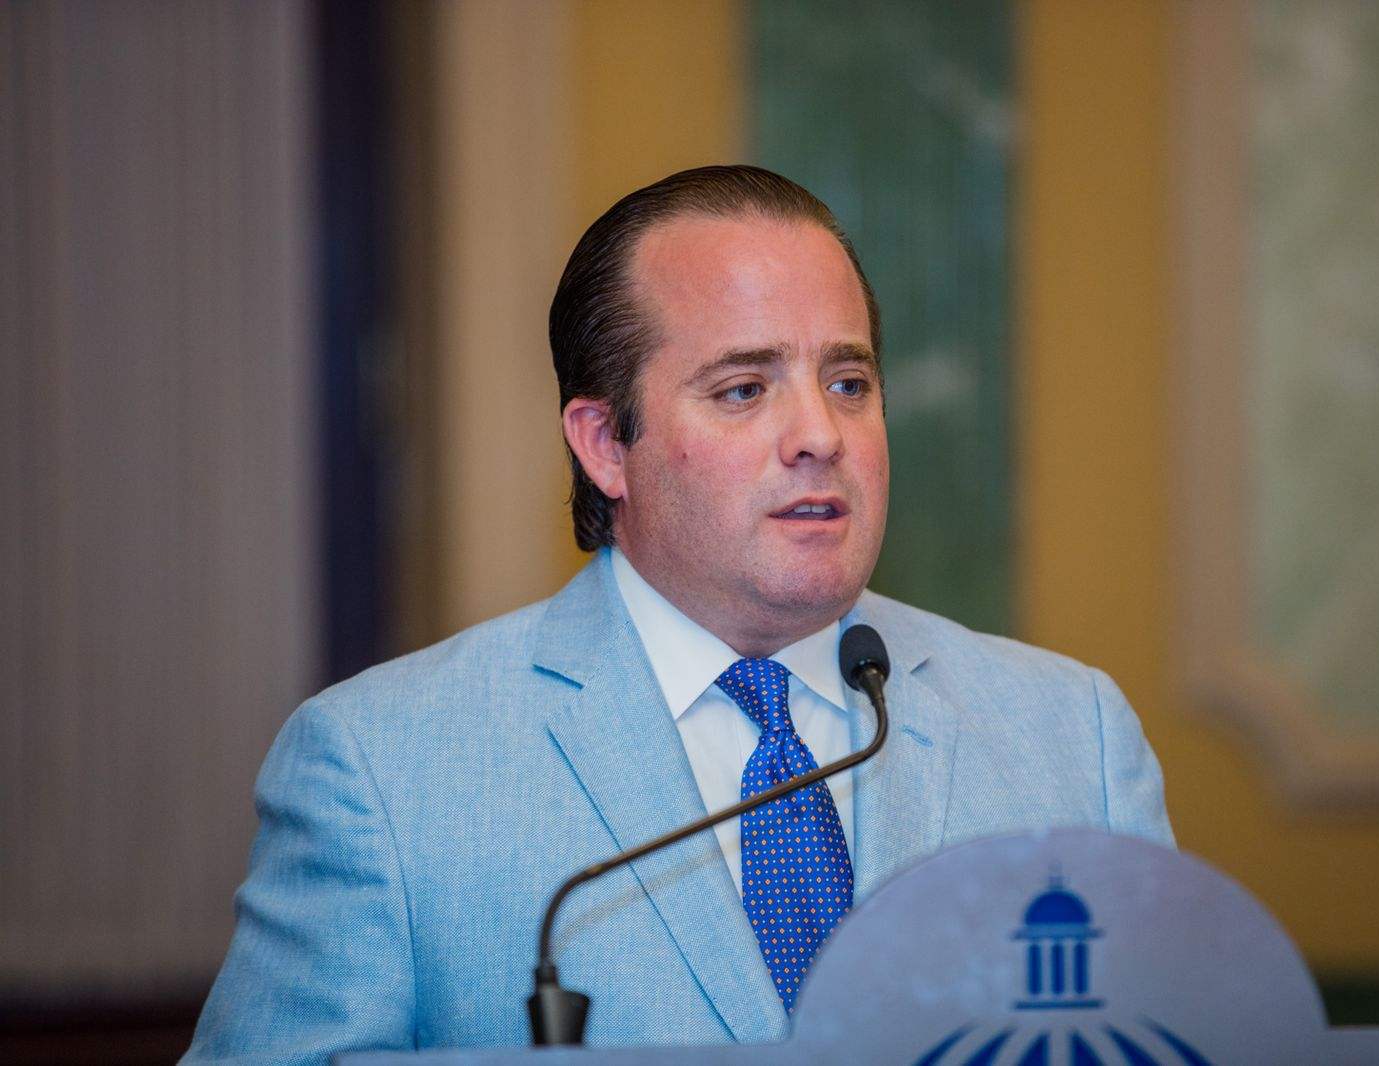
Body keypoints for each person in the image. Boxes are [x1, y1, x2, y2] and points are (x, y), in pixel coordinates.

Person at [182, 165, 1172, 1063]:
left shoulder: (1069, 736)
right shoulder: (382, 770)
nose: (820, 435)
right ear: (605, 444)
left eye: (848, 382)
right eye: (743, 389)